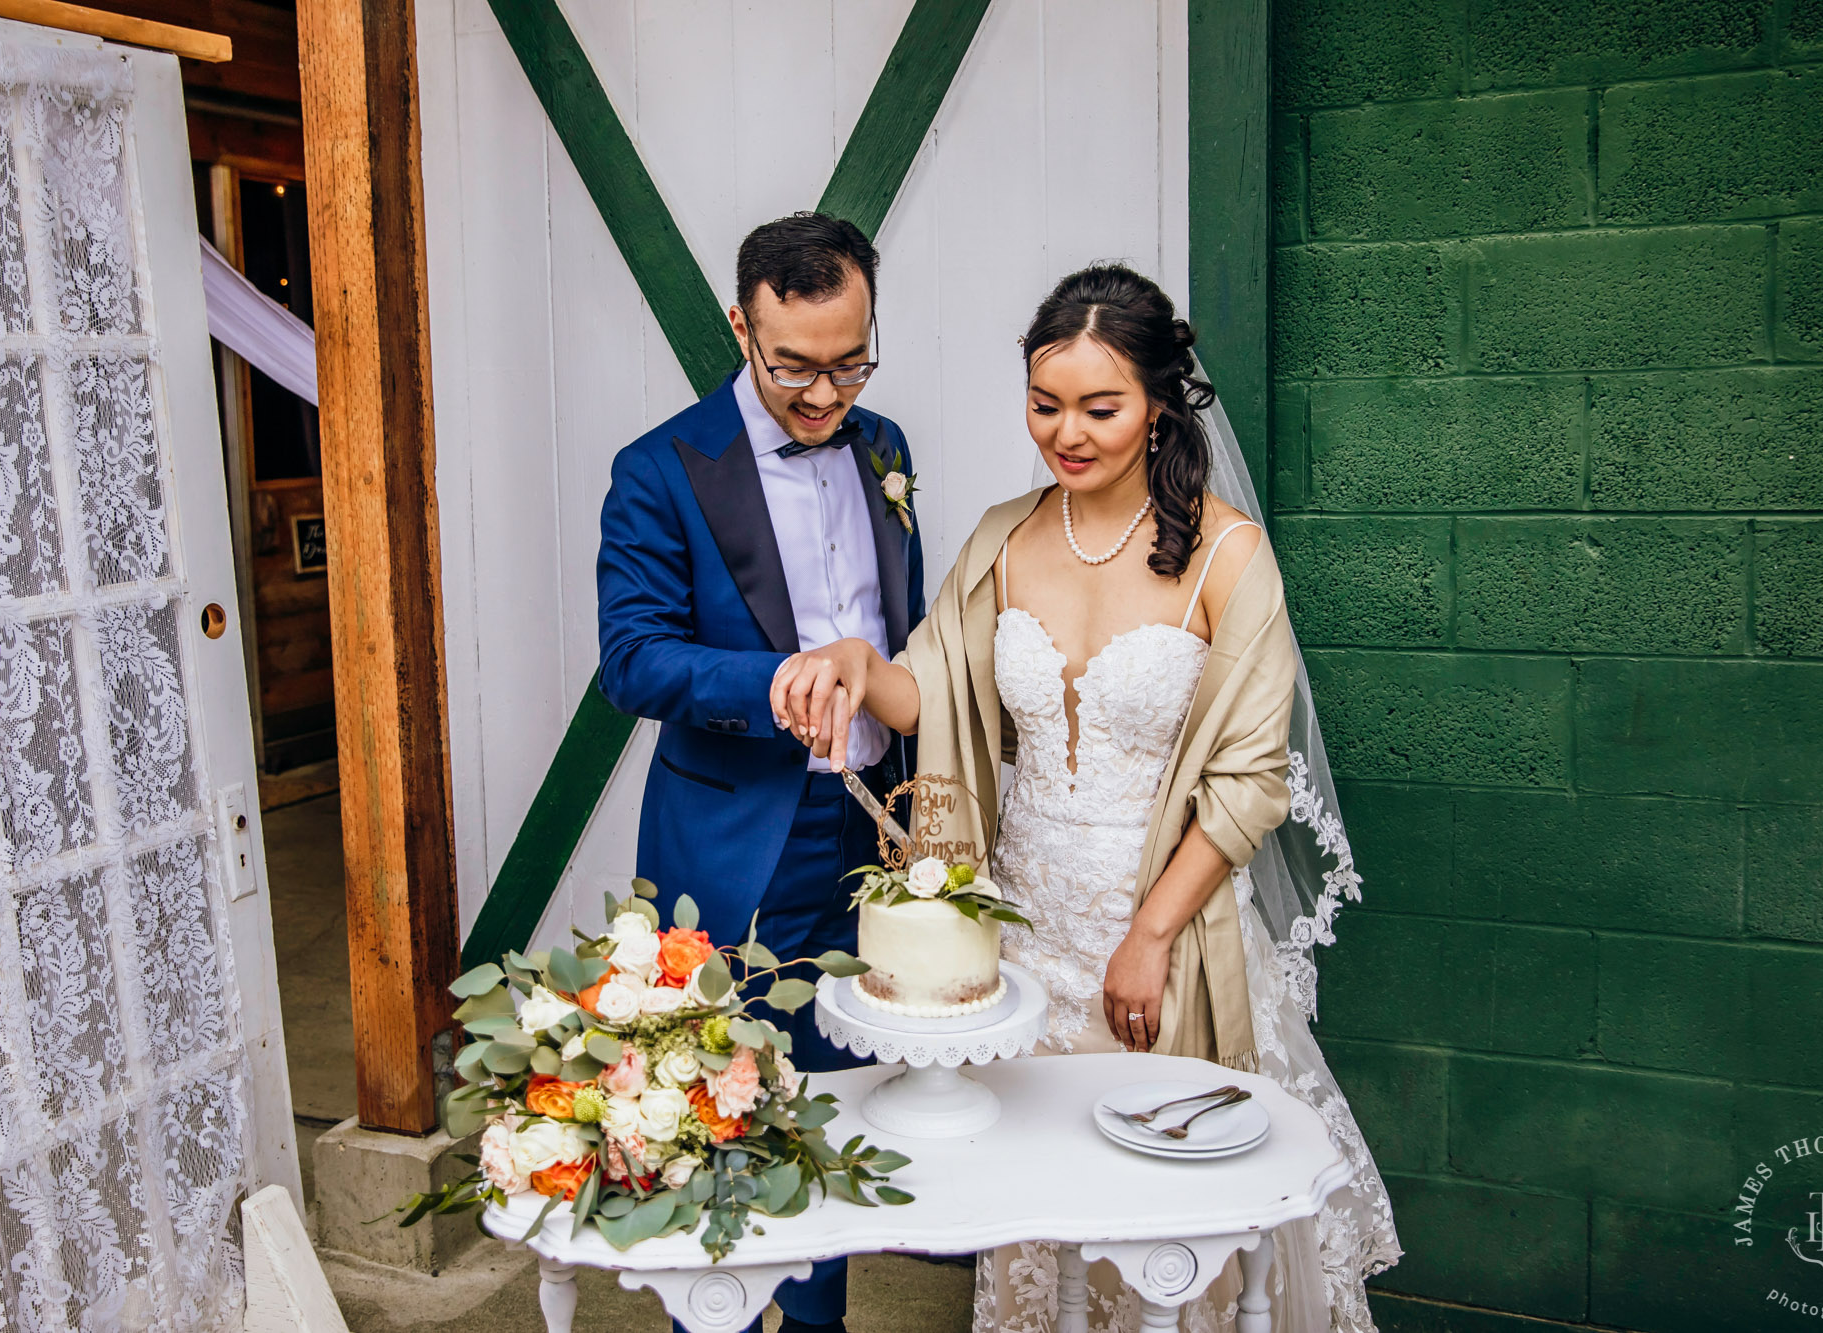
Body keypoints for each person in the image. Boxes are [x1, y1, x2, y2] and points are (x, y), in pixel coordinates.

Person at [770, 264, 1401, 1332]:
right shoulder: (1004, 539)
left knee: (1164, 1221)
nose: (1065, 433)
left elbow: (1248, 784)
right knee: (1038, 1225)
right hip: (1019, 942)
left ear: (1158, 401)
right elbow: (927, 690)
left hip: (1165, 931)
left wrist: (1148, 934)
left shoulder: (1228, 556)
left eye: (1098, 407)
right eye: (1043, 403)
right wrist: (847, 659)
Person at [595, 212, 924, 1333]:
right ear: (741, 326)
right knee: (725, 1113)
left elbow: (901, 626)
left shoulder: (886, 448)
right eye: (794, 368)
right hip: (739, 847)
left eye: (849, 362)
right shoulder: (658, 469)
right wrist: (769, 678)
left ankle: (822, 1317)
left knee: (835, 1114)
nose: (825, 396)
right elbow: (631, 658)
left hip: (874, 842)